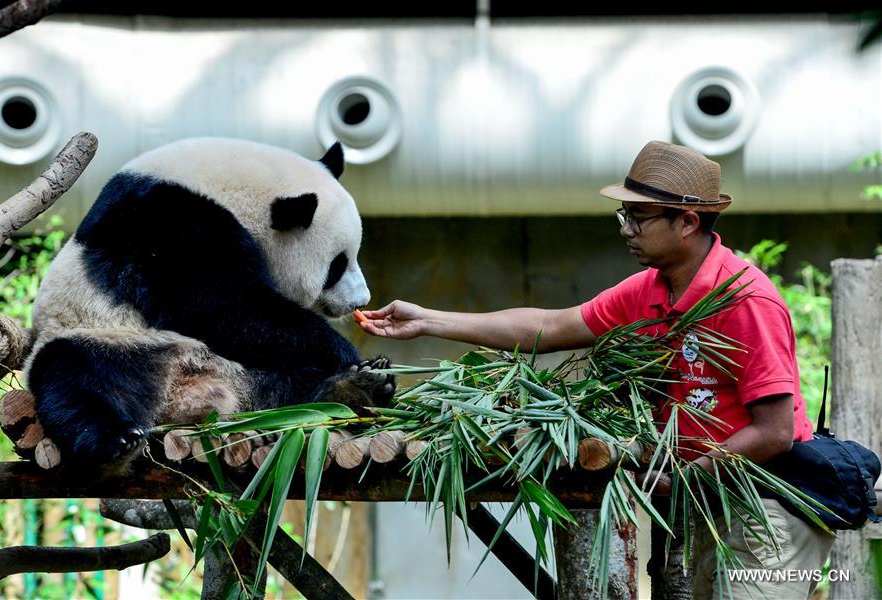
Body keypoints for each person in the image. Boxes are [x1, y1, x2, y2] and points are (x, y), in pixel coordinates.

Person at [357, 140, 834, 599]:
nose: (626, 228)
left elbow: (776, 430)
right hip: (709, 504)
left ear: (687, 221)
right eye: (625, 215)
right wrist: (430, 320)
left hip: (764, 511)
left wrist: (684, 478)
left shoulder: (744, 299)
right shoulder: (649, 289)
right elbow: (549, 325)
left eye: (639, 217)